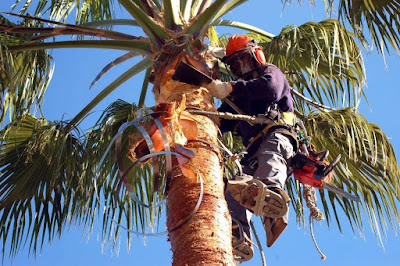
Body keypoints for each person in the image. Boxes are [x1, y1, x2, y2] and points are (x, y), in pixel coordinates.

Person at [206, 35, 298, 262]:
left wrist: (229, 87)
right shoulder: (237, 96)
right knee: (234, 191)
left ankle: (271, 193)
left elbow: (271, 89)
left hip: (278, 135)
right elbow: (220, 123)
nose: (240, 68)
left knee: (271, 155)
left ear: (256, 55)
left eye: (243, 61)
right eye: (234, 65)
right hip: (252, 152)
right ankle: (238, 235)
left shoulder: (269, 72)